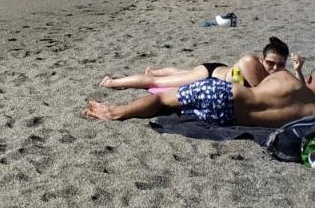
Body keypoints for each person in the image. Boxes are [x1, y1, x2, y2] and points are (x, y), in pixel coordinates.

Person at [84, 65, 315, 127]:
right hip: (228, 120)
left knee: (163, 98)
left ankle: (115, 112)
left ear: (311, 79)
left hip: (225, 95)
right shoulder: (311, 114)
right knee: (173, 106)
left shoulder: (287, 79)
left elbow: (260, 85)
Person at [98, 38, 295, 90]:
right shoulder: (250, 62)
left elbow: (297, 87)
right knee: (156, 84)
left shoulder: (276, 73)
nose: (275, 69)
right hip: (209, 75)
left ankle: (155, 70)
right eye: (270, 63)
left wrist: (299, 71)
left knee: (182, 72)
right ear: (262, 59)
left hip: (218, 70)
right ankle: (111, 82)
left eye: (280, 65)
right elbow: (259, 92)